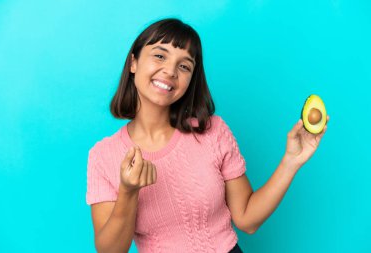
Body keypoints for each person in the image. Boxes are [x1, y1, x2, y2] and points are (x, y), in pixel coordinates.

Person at [86, 18, 329, 253]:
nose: (170, 71)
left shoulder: (213, 131)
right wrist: (128, 192)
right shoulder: (103, 156)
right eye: (159, 55)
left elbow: (247, 219)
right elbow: (111, 250)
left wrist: (291, 161)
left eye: (184, 66)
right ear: (133, 63)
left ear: (191, 79)